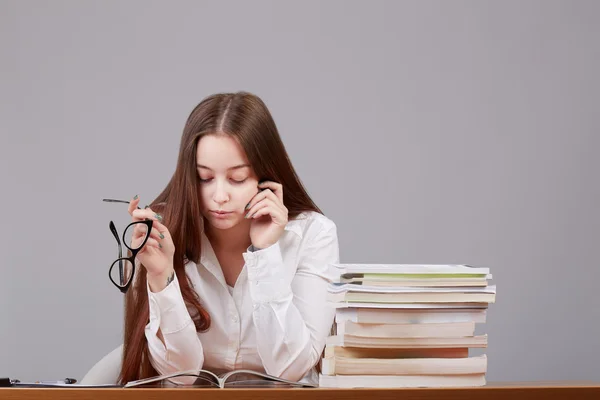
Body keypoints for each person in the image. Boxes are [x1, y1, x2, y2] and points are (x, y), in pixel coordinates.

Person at [118, 91, 339, 386]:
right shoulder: (159, 236)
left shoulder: (313, 234)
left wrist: (265, 252)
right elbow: (179, 374)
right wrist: (161, 276)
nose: (219, 197)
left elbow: (291, 369)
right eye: (204, 178)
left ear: (266, 176)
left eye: (237, 179)